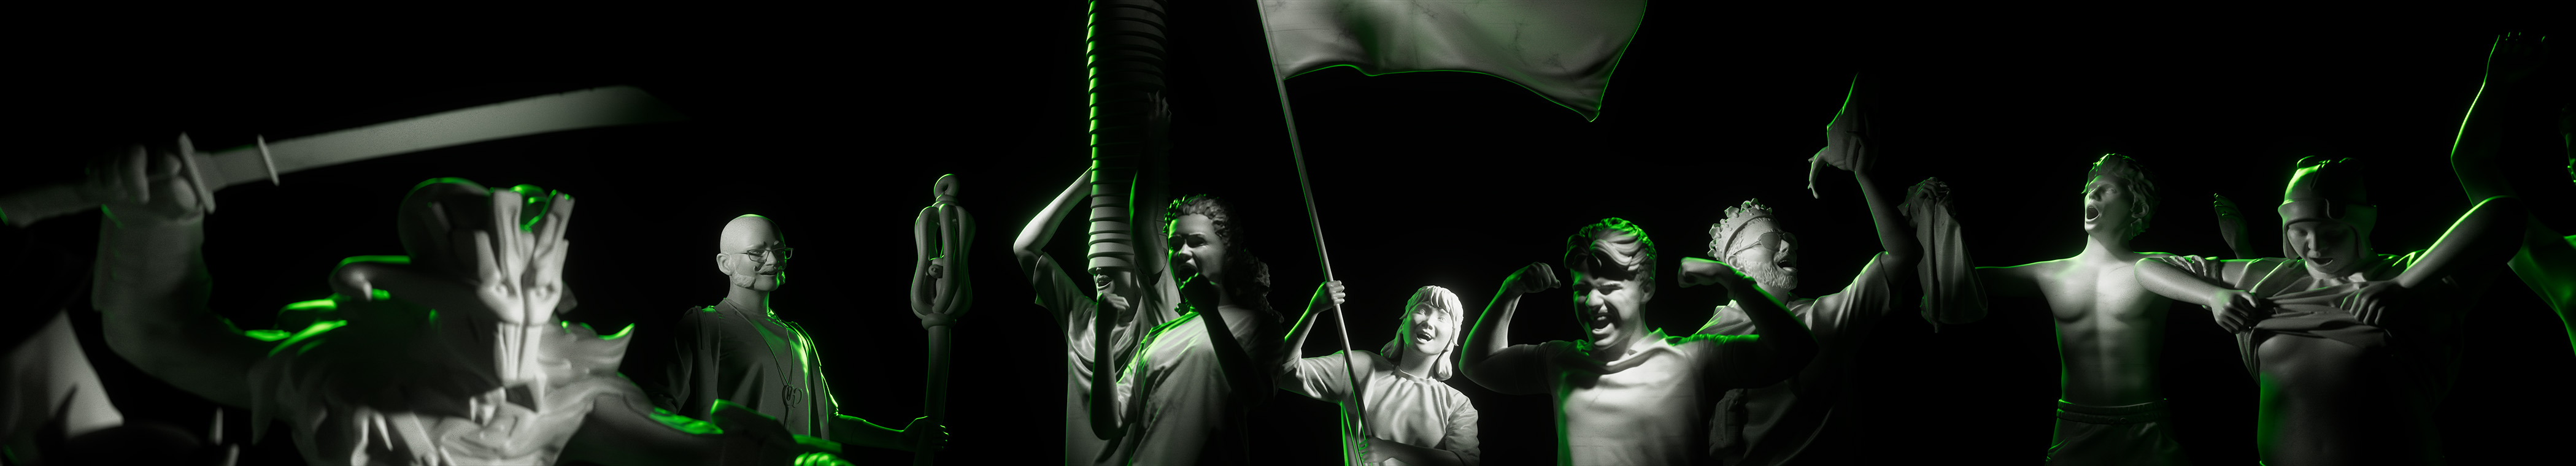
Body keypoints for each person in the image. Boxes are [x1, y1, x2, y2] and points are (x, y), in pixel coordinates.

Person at [84, 143, 825, 465]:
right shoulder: (344, 368)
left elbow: (705, 455)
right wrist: (152, 223)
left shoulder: (565, 399)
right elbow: (156, 336)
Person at [2136, 155, 2525, 464]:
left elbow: (2506, 213)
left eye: (2332, 231)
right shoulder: (2264, 276)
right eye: (2299, 230)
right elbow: (2147, 267)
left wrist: (2404, 285)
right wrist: (2213, 296)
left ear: (2361, 224)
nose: (2315, 245)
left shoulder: (2411, 277)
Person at [1460, 219, 1817, 465]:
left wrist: (1733, 280)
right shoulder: (1559, 361)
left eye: (1609, 288)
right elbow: (1477, 365)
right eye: (1582, 289)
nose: (1593, 302)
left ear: (1646, 289)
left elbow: (1797, 350)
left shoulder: (1693, 358)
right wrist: (1511, 291)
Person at [1943, 153, 2198, 464]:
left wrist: (2242, 247)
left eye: (2108, 189)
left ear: (2137, 208)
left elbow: (2235, 283)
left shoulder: (2161, 267)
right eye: (2091, 189)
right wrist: (1938, 222)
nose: (2093, 194)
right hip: (2076, 426)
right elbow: (1955, 283)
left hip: (2147, 426)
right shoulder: (2050, 274)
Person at [628, 215, 947, 460]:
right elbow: (658, 408)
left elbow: (829, 421)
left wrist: (901, 439)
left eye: (779, 250)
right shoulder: (704, 326)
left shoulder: (799, 338)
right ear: (726, 263)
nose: (773, 260)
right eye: (757, 253)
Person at [1084, 194, 1340, 464]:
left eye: (1197, 242)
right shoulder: (1157, 337)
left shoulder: (1259, 325)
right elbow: (1106, 425)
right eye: (1174, 245)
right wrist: (1103, 337)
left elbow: (1256, 396)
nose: (1183, 253)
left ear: (1228, 253)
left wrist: (1210, 312)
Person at [2439, 32, 2570, 350]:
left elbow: (2471, 161)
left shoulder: (2559, 258)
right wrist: (2496, 83)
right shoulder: (2560, 258)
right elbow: (2471, 161)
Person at [1278, 286, 1473, 466]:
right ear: (1404, 323)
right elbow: (1283, 372)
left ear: (1452, 339)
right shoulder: (1361, 369)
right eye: (1422, 310)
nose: (1429, 322)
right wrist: (1313, 311)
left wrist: (1393, 450)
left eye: (1442, 318)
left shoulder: (1457, 403)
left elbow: (1467, 462)